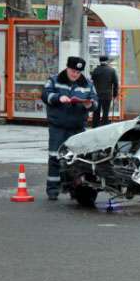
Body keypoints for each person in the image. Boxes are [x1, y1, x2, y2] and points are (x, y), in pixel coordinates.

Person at [41, 56, 98, 200]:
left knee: (77, 160)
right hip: (58, 127)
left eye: (78, 73)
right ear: (67, 68)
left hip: (77, 128)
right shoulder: (54, 80)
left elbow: (95, 102)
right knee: (55, 157)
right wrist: (58, 98)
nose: (75, 75)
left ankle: (75, 189)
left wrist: (89, 105)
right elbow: (44, 95)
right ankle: (53, 190)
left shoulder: (88, 84)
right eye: (73, 71)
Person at [91, 55, 119, 127]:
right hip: (107, 95)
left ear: (100, 61)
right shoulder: (112, 70)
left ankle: (94, 127)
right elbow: (115, 83)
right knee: (105, 112)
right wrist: (115, 95)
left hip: (96, 95)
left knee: (96, 112)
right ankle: (104, 127)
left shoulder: (95, 70)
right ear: (107, 61)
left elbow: (91, 82)